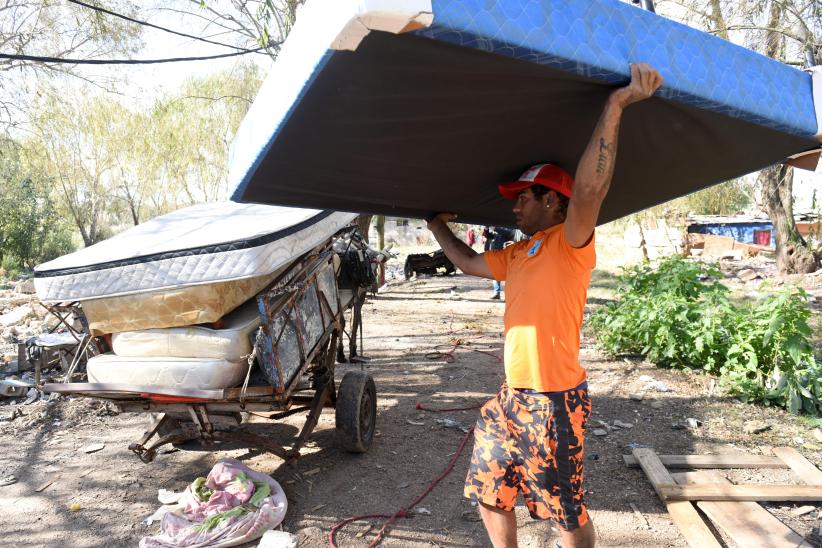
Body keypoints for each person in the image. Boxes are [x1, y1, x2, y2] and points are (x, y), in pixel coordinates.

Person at [426, 63, 663, 548]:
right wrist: (435, 227)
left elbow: (592, 188)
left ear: (554, 203)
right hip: (512, 398)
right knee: (490, 493)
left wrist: (616, 105)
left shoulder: (570, 241)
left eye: (524, 198)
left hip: (555, 401)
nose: (513, 208)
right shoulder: (516, 253)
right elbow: (469, 261)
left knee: (563, 512)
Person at [482, 226, 516, 299]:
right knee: (495, 273)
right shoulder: (497, 229)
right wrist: (486, 228)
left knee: (508, 275)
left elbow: (509, 234)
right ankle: (496, 293)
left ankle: (509, 295)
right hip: (495, 253)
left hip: (505, 254)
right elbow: (488, 236)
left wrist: (495, 227)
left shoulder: (510, 227)